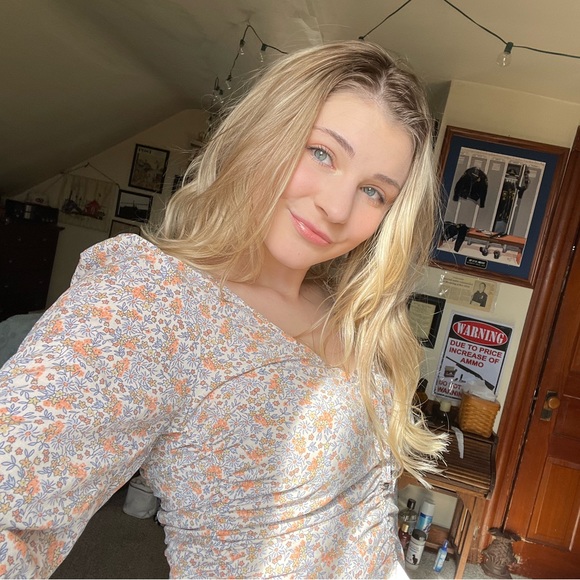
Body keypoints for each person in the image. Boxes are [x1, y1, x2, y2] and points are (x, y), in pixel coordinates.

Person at [0, 40, 445, 578]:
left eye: (374, 191)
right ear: (266, 133)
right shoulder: (157, 298)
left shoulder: (351, 312)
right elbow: (13, 499)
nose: (336, 207)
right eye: (322, 153)